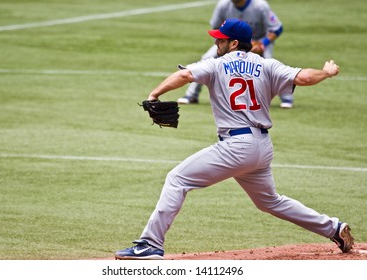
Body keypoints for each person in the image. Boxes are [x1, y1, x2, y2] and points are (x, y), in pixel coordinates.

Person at [115, 18, 354, 260]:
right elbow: (303, 78)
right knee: (269, 201)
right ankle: (333, 227)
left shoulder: (216, 65)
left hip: (236, 147)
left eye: (220, 38)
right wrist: (326, 72)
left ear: (234, 43)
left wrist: (155, 94)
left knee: (177, 179)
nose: (216, 41)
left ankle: (150, 244)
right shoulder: (268, 65)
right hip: (261, 148)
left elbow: (185, 75)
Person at [177, 0, 294, 108]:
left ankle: (286, 97)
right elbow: (217, 28)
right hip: (229, 41)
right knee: (207, 57)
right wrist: (226, 44)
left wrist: (262, 44)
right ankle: (191, 95)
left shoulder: (260, 6)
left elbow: (276, 28)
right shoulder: (223, 5)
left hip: (260, 41)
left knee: (268, 63)